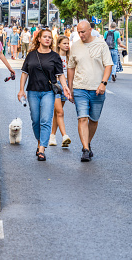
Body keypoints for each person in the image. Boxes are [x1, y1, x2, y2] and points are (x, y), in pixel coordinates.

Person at [17, 29, 70, 161]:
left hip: (48, 92)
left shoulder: (55, 56)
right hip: (33, 91)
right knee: (36, 120)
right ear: (39, 39)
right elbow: (24, 73)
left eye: (49, 37)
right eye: (44, 37)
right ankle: (40, 141)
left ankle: (42, 149)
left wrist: (65, 87)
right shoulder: (31, 55)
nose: (47, 39)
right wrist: (21, 90)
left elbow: (60, 74)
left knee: (45, 120)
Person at [67, 20, 113, 162]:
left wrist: (103, 83)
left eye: (83, 32)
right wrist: (70, 87)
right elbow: (71, 67)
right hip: (80, 88)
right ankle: (85, 148)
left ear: (90, 30)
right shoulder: (74, 46)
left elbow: (108, 65)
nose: (81, 35)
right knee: (82, 118)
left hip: (97, 89)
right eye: (78, 32)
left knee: (93, 119)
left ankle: (88, 142)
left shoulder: (101, 44)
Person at [49, 35, 72, 147]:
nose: (67, 45)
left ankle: (52, 136)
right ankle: (64, 136)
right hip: (55, 85)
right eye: (64, 43)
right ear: (58, 44)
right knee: (60, 112)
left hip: (65, 86)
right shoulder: (54, 56)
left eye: (68, 43)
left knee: (57, 112)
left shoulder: (70, 58)